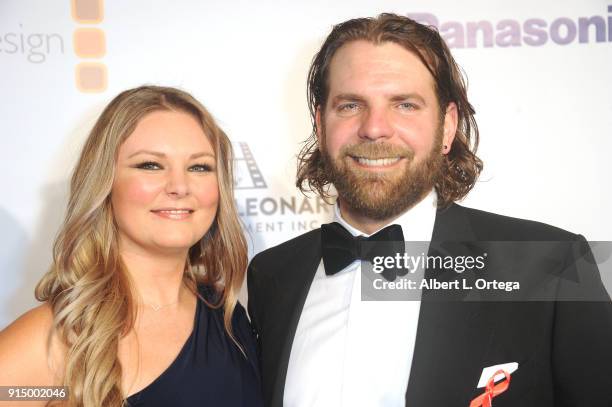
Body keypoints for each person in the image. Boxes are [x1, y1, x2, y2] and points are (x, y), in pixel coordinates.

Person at [247, 14, 612, 407]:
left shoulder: (551, 266)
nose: (374, 128)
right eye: (350, 105)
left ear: (448, 126)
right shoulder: (272, 276)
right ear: (320, 125)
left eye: (405, 105)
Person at [0, 86, 263, 406]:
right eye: (150, 165)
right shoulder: (58, 339)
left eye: (199, 167)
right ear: (104, 182)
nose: (179, 186)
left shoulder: (229, 317)